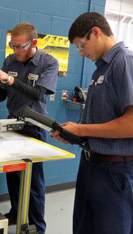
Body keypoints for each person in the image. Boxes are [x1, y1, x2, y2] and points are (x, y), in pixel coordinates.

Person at [51, 12, 133, 234]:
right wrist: (77, 136)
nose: (81, 53)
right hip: (91, 165)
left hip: (115, 171)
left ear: (95, 32)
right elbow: (104, 121)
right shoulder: (100, 69)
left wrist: (81, 129)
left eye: (81, 46)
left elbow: (131, 124)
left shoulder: (124, 61)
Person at [0, 22, 58, 234]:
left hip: (34, 126)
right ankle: (16, 212)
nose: (15, 51)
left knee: (34, 182)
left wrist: (8, 78)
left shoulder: (48, 63)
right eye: (12, 46)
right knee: (13, 174)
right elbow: (5, 94)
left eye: (20, 46)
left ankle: (37, 226)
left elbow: (38, 94)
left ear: (33, 42)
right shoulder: (10, 60)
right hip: (11, 123)